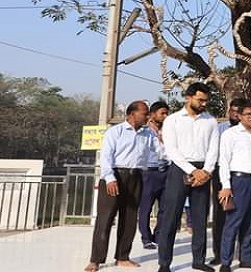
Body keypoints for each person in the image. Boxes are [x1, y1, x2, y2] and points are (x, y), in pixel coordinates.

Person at [157, 82, 220, 272]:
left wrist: (206, 171)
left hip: (203, 170)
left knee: (200, 217)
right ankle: (164, 263)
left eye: (206, 101)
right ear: (188, 97)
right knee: (171, 216)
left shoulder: (211, 121)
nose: (203, 104)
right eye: (200, 100)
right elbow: (172, 150)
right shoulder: (173, 120)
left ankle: (198, 260)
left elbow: (213, 149)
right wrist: (192, 171)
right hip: (179, 169)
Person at [84, 100, 150, 272]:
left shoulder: (147, 134)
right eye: (144, 112)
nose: (146, 116)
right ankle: (95, 260)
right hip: (114, 176)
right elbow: (106, 156)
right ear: (131, 114)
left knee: (129, 219)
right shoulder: (115, 132)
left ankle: (122, 256)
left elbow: (156, 153)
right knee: (105, 219)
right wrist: (110, 178)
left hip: (135, 176)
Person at [217, 102, 251, 271]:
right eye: (248, 114)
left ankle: (245, 258)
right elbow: (224, 161)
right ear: (239, 116)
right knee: (233, 221)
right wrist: (226, 185)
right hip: (238, 181)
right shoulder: (230, 134)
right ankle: (225, 262)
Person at [209, 97, 247, 265]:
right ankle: (219, 253)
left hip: (241, 174)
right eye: (232, 112)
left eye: (239, 112)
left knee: (242, 213)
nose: (235, 115)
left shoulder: (250, 130)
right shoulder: (220, 129)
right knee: (221, 215)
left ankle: (241, 253)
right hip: (221, 173)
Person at [138, 100, 170, 250]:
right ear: (152, 115)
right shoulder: (144, 133)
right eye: (162, 113)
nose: (165, 116)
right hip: (149, 173)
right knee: (146, 207)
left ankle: (158, 235)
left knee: (165, 207)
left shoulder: (168, 131)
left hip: (166, 171)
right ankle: (146, 237)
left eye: (166, 113)